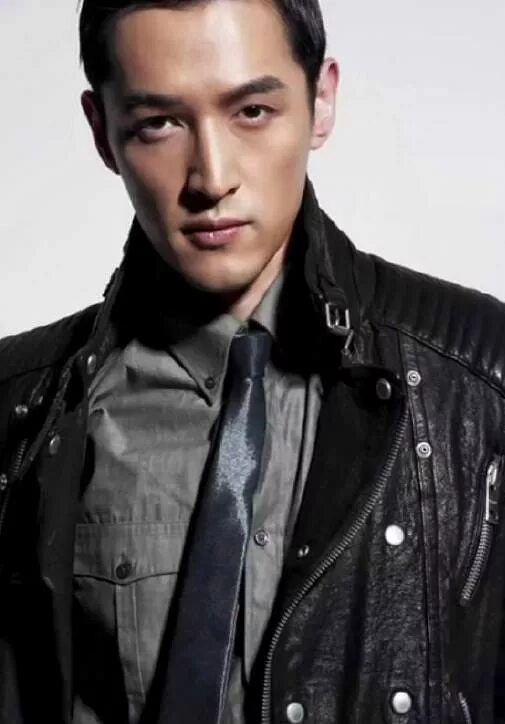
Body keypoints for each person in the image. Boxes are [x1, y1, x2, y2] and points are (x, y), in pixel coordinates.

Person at [1, 0, 504, 722]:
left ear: (320, 100)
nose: (211, 177)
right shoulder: (22, 405)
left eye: (252, 112)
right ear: (101, 131)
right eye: (159, 123)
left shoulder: (477, 378)